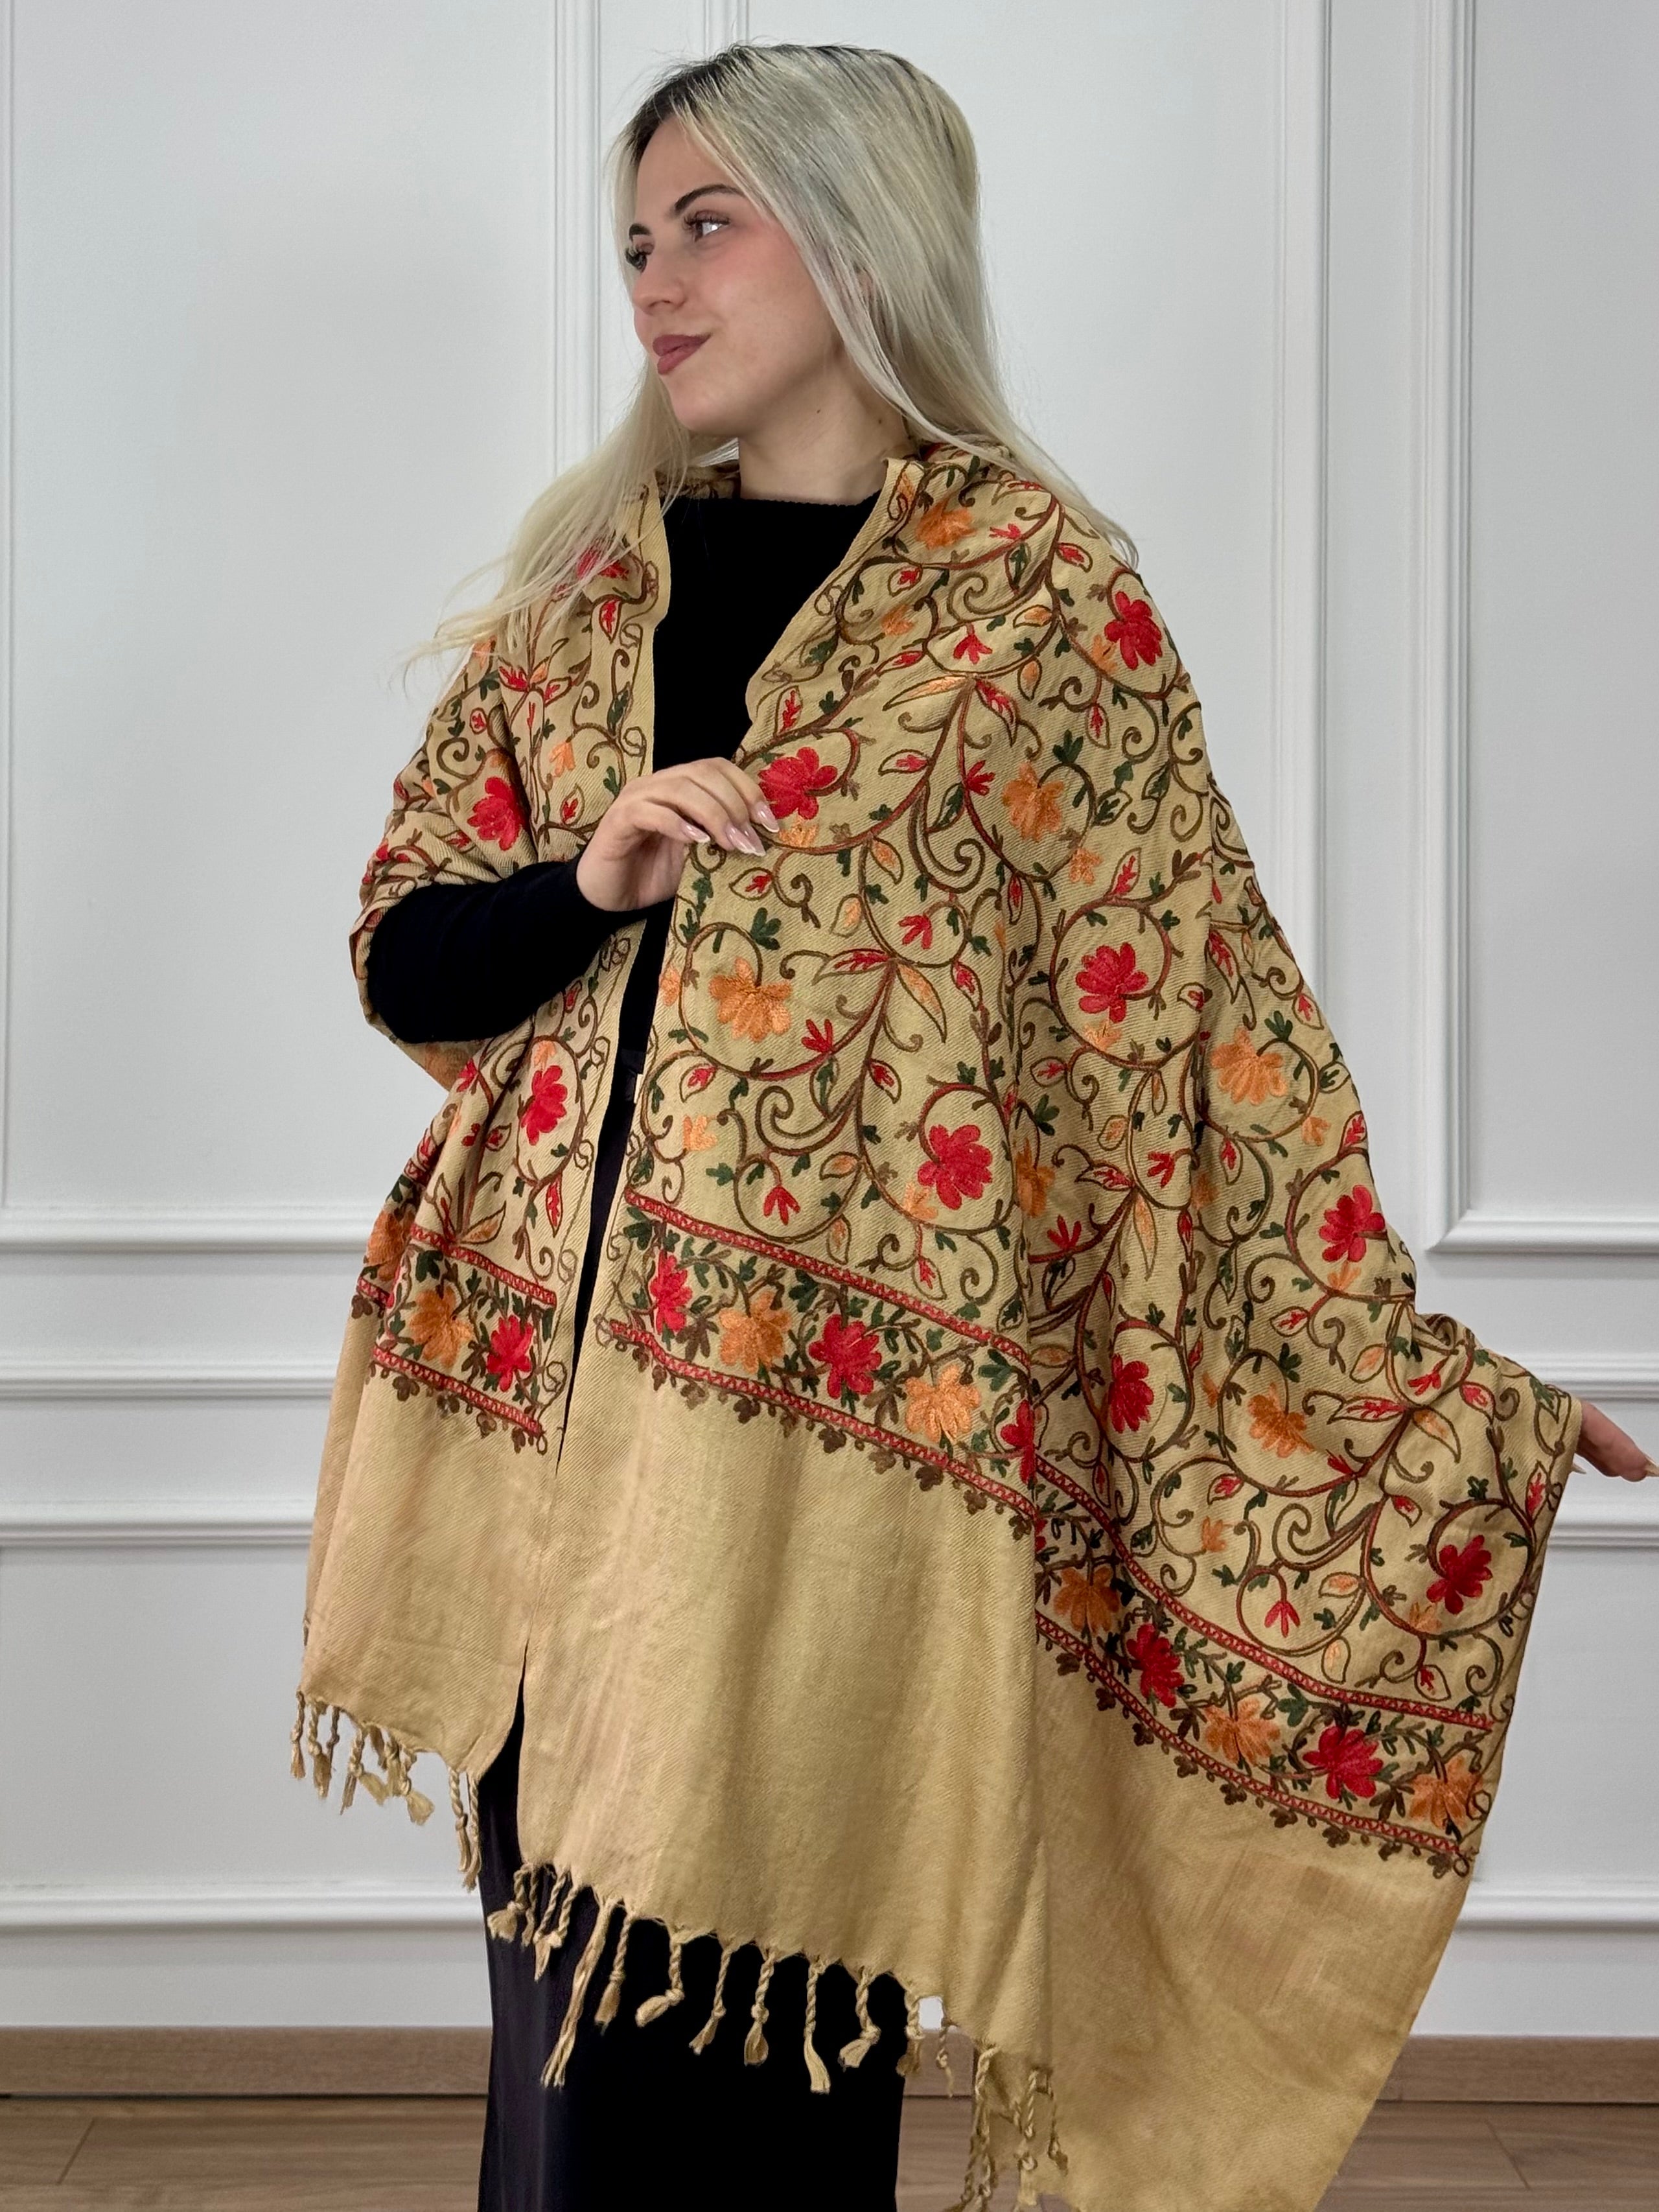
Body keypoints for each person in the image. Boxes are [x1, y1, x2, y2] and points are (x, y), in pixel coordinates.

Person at [296, 41, 1655, 2212]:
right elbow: (404, 958)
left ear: (860, 236)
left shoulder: (1040, 613)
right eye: (634, 243)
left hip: (839, 1495)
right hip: (546, 1460)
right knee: (565, 2080)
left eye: (708, 226)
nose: (654, 285)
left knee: (742, 2077)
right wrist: (592, 879)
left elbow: (1205, 1060)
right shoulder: (588, 603)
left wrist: (1430, 1393)